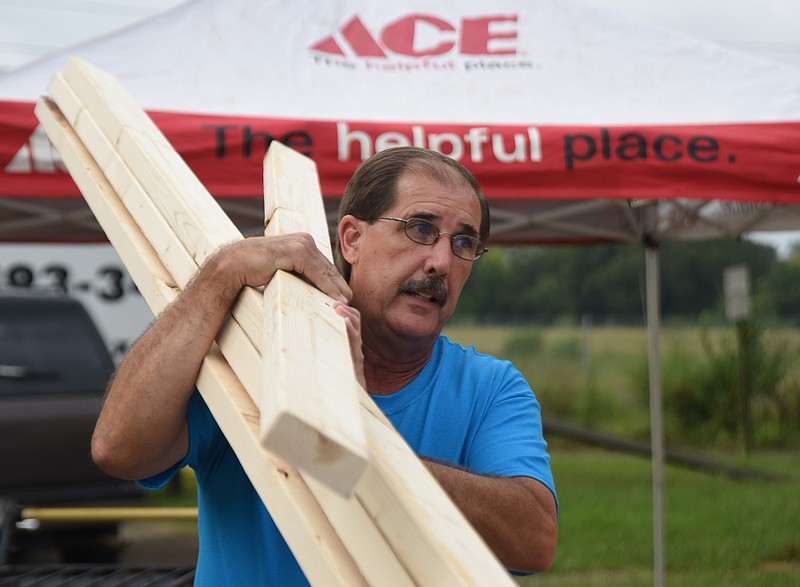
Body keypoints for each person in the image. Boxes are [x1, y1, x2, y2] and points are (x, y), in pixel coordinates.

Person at [92, 146, 558, 584]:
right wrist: (221, 274)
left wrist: (359, 428)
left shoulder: (490, 388)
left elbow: (533, 541)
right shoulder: (255, 354)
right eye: (419, 229)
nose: (440, 261)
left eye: (463, 243)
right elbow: (119, 449)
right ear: (352, 239)